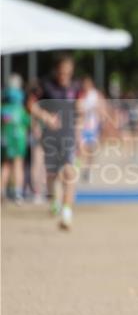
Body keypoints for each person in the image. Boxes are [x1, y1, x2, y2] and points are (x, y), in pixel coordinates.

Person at [30, 54, 83, 230]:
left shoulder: (76, 87)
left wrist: (80, 135)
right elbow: (31, 105)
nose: (64, 75)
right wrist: (45, 117)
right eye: (62, 71)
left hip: (68, 136)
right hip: (51, 137)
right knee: (52, 174)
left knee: (69, 173)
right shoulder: (46, 85)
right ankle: (55, 200)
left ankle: (66, 214)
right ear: (57, 69)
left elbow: (79, 111)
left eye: (68, 71)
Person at [1, 74, 31, 204]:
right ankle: (18, 194)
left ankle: (1, 191)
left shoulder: (3, 109)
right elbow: (27, 123)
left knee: (6, 165)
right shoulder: (21, 110)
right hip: (19, 141)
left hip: (5, 141)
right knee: (18, 165)